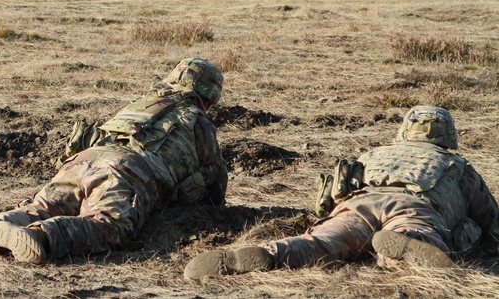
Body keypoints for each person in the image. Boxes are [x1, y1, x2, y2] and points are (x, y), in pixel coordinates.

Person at [0, 57, 228, 263]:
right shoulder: (200, 124)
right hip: (129, 172)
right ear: (208, 97)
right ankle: (42, 236)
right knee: (110, 225)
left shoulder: (143, 103)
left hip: (82, 161)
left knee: (41, 206)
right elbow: (213, 191)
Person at [184, 105, 499, 281]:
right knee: (417, 235)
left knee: (321, 242)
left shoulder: (373, 153)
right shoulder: (456, 164)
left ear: (405, 130)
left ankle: (272, 253)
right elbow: (488, 218)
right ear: (449, 135)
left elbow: (328, 199)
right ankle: (403, 247)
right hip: (414, 206)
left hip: (357, 204)